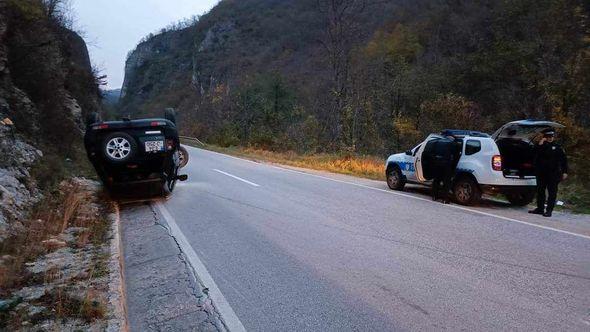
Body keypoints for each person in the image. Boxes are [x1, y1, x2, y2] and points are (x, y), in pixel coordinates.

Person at [529, 129, 568, 217]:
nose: (550, 138)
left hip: (553, 173)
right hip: (541, 173)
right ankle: (540, 208)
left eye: (551, 137)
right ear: (544, 137)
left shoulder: (558, 147)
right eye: (548, 137)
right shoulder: (540, 146)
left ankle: (549, 210)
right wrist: (540, 144)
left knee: (552, 192)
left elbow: (564, 160)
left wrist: (565, 172)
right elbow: (533, 153)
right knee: (540, 191)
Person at [431, 138, 461, 203]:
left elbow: (433, 153)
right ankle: (444, 199)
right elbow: (456, 157)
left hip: (438, 164)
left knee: (436, 180)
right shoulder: (454, 144)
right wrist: (453, 167)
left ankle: (434, 196)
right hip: (447, 165)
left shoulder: (438, 142)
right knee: (446, 182)